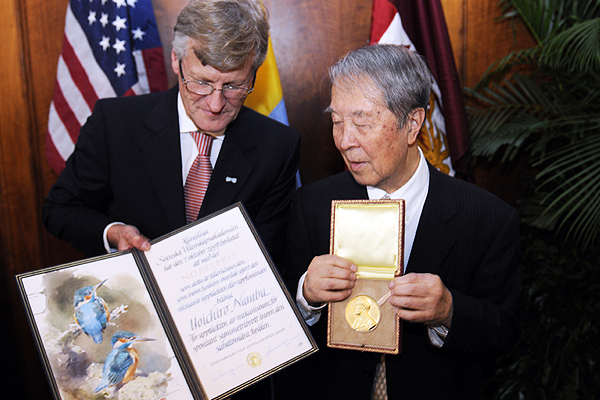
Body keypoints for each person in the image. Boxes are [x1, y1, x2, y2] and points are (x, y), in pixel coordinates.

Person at [275, 44, 522, 400]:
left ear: (412, 124)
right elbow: (280, 331)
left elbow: (505, 333)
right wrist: (305, 295)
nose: (345, 141)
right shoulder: (311, 204)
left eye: (362, 122)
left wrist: (449, 310)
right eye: (337, 121)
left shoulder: (487, 217)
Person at [42, 0, 300, 270]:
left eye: (234, 86)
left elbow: (269, 257)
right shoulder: (115, 123)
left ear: (254, 76)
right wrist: (113, 232)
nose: (215, 104)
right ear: (176, 60)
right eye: (202, 82)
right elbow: (60, 209)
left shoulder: (278, 146)